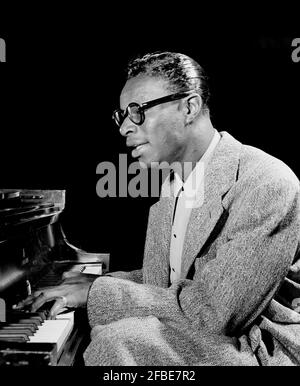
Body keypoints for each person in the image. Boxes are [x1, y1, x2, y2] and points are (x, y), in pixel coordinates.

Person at [17, 51, 300, 366]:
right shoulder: (170, 185)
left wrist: (97, 293)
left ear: (188, 107)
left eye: (137, 111)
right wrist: (97, 285)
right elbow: (165, 287)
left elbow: (216, 312)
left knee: (118, 342)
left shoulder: (266, 182)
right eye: (121, 115)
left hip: (258, 346)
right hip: (206, 330)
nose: (124, 127)